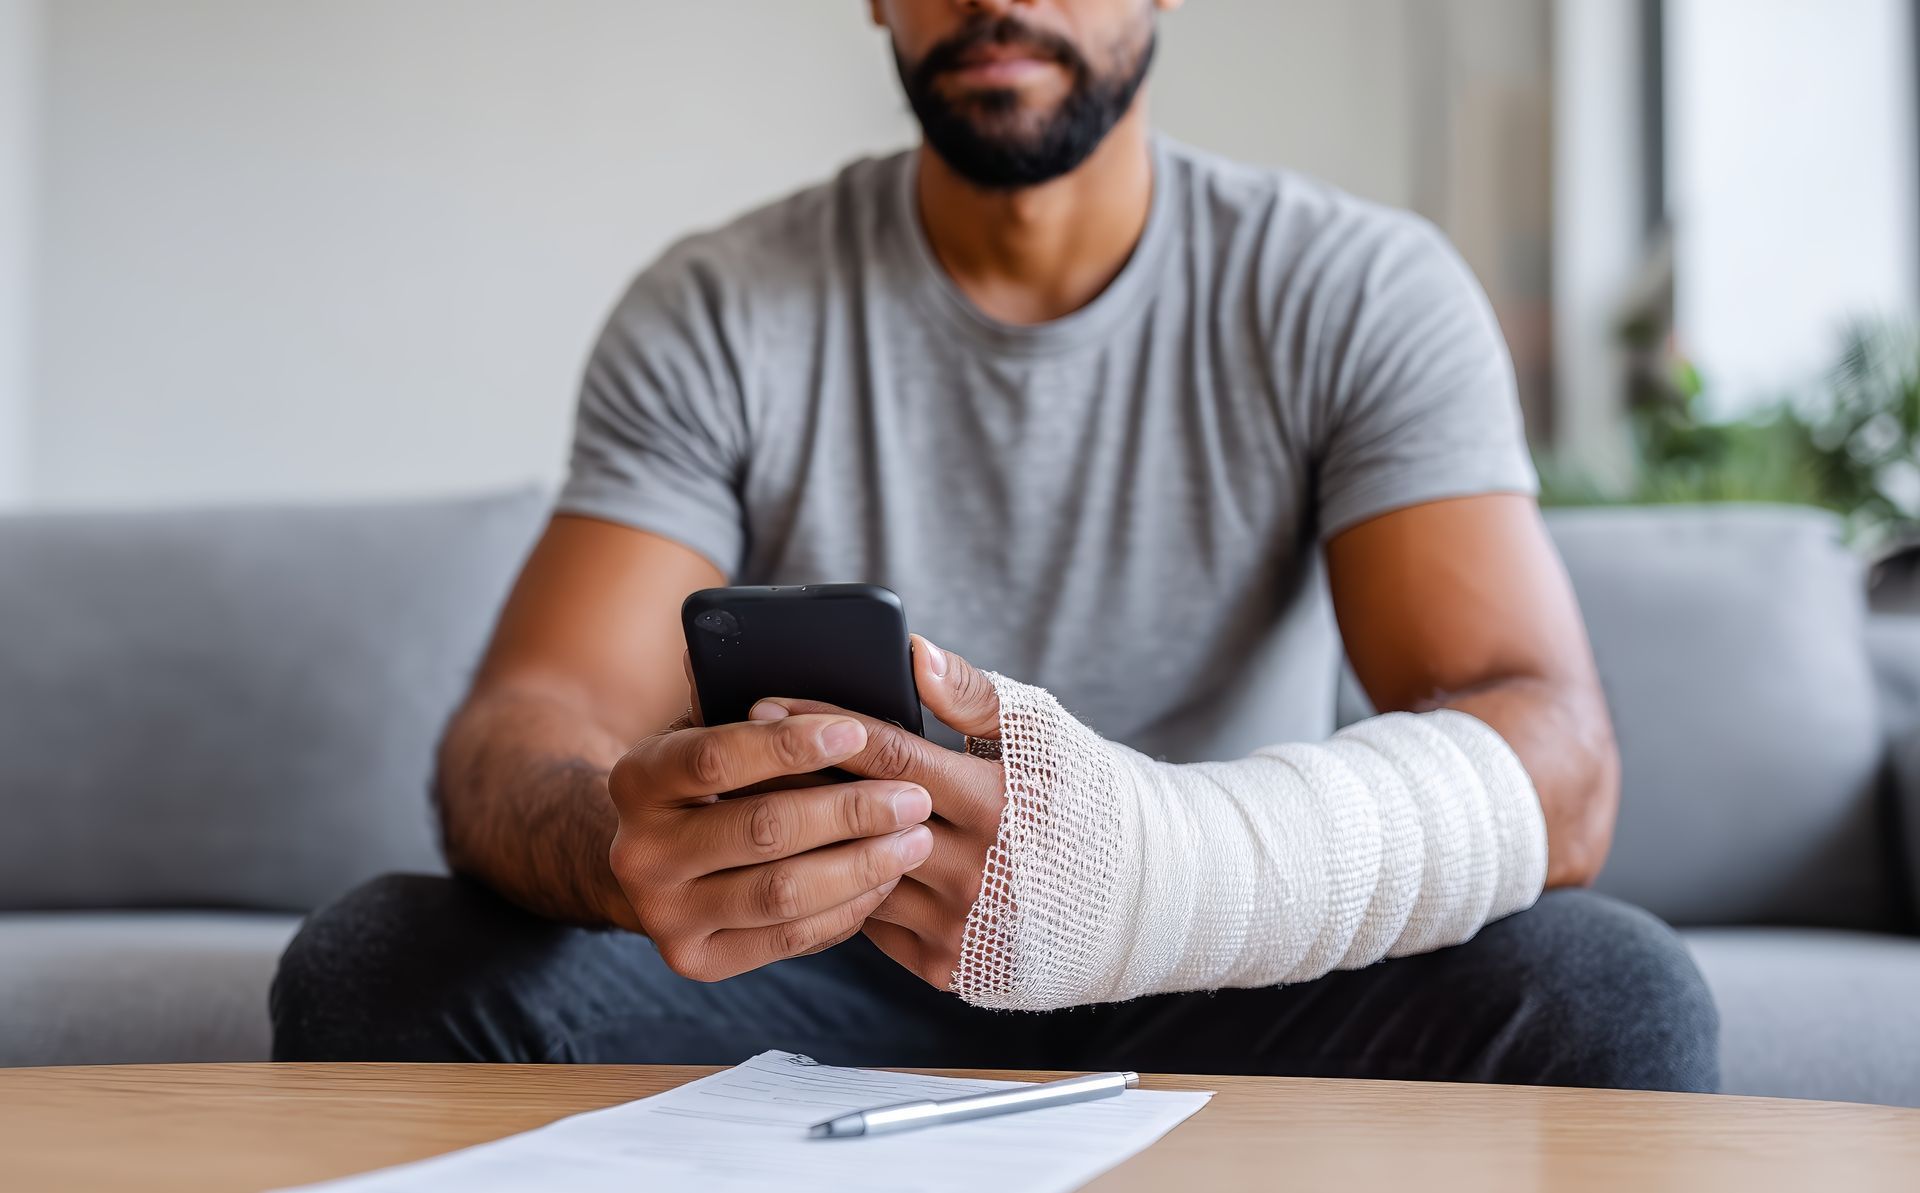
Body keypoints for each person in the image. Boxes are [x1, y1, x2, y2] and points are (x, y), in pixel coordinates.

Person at [272, 0, 1718, 1090]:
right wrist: (621, 843)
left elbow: (1556, 759)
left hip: (1241, 965)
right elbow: (528, 725)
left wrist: (1156, 873)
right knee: (378, 965)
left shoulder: (1355, 289)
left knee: (1609, 990)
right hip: (824, 974)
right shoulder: (720, 306)